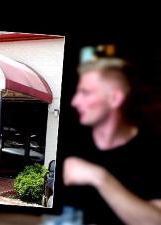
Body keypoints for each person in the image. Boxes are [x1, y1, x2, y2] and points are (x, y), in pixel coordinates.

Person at [62, 57, 161, 224]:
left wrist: (99, 177)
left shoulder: (153, 150)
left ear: (115, 99)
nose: (74, 102)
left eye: (85, 93)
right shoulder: (69, 141)